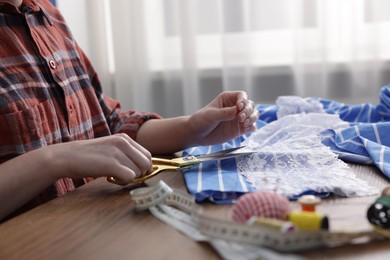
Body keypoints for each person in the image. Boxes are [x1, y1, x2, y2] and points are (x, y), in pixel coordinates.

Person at [0, 0, 259, 221]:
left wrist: (191, 128)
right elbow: (75, 151)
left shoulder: (48, 16)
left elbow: (107, 122)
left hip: (94, 227)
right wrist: (55, 160)